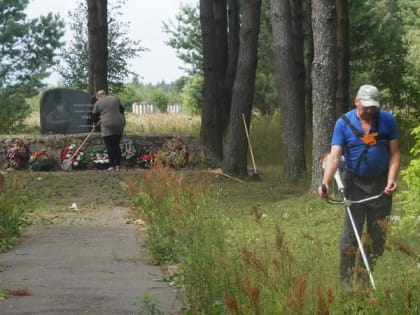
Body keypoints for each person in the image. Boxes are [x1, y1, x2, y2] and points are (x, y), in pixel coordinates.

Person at [318, 84, 401, 293]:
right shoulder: (343, 123)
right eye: (365, 107)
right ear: (356, 101)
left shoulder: (387, 120)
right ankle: (346, 285)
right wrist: (325, 182)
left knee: (377, 237)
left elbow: (395, 155)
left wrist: (391, 179)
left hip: (380, 186)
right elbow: (334, 157)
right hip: (354, 185)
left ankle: (364, 281)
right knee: (350, 237)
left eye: (373, 107)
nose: (369, 111)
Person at [92, 90, 125, 172]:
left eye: (97, 97)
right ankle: (118, 166)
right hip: (119, 124)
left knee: (110, 146)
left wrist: (96, 123)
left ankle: (112, 165)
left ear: (99, 96)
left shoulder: (98, 103)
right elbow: (122, 110)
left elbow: (94, 116)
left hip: (107, 126)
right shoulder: (115, 98)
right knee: (116, 145)